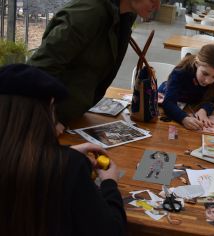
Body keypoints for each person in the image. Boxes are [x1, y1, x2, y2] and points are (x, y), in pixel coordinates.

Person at [28, 0, 169, 130]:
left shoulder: (122, 16)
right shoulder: (88, 13)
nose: (157, 6)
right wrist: (47, 118)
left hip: (70, 116)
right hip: (46, 121)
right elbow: (39, 69)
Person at [0, 64, 125, 236]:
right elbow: (111, 231)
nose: (58, 127)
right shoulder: (70, 167)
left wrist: (66, 152)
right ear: (47, 110)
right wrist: (110, 184)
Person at [159, 44, 214, 130]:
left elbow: (212, 98)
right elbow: (168, 102)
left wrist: (204, 110)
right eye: (205, 74)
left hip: (190, 105)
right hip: (167, 99)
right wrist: (183, 118)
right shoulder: (180, 72)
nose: (208, 81)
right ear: (197, 64)